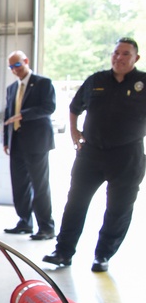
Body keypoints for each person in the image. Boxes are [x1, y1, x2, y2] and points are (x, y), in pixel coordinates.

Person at [44, 38, 146, 273]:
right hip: (91, 153)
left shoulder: (143, 82)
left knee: (118, 209)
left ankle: (103, 255)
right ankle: (63, 252)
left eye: (125, 54)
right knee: (75, 203)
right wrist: (73, 131)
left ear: (136, 58)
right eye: (116, 53)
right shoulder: (96, 80)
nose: (119, 58)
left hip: (127, 155)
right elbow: (74, 107)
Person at [3, 50, 56, 240]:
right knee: (20, 185)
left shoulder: (43, 83)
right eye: (11, 67)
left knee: (39, 185)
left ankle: (46, 227)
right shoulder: (11, 88)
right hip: (16, 142)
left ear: (26, 61)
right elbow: (8, 115)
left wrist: (24, 114)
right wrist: (6, 141)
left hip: (37, 143)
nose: (14, 70)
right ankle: (24, 221)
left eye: (17, 65)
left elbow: (49, 107)